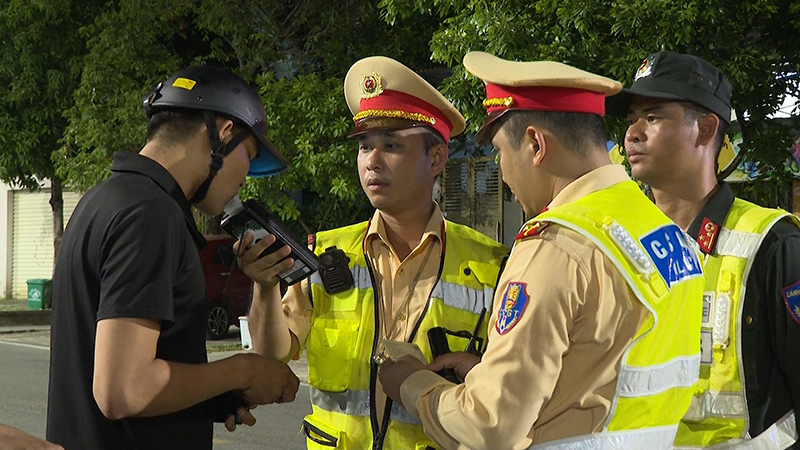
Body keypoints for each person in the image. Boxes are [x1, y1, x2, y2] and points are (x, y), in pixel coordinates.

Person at [378, 51, 706, 450]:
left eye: (499, 151)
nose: (501, 169)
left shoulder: (556, 247)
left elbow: (490, 426)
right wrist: (491, 373)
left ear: (535, 144)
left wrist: (412, 381)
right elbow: (609, 373)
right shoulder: (666, 233)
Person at [239, 56, 509, 449]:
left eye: (391, 145)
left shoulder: (491, 265)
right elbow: (270, 357)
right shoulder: (327, 252)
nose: (372, 161)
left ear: (435, 158)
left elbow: (507, 393)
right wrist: (264, 289)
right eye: (365, 146)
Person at [46, 66, 300, 450]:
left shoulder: (103, 200)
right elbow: (122, 389)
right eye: (248, 157)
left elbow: (129, 375)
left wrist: (210, 396)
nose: (245, 179)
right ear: (223, 132)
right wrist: (241, 370)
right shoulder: (152, 215)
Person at [606, 50, 800, 448]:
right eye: (630, 120)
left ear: (707, 128)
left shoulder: (772, 245)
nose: (633, 133)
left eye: (653, 116)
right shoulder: (616, 242)